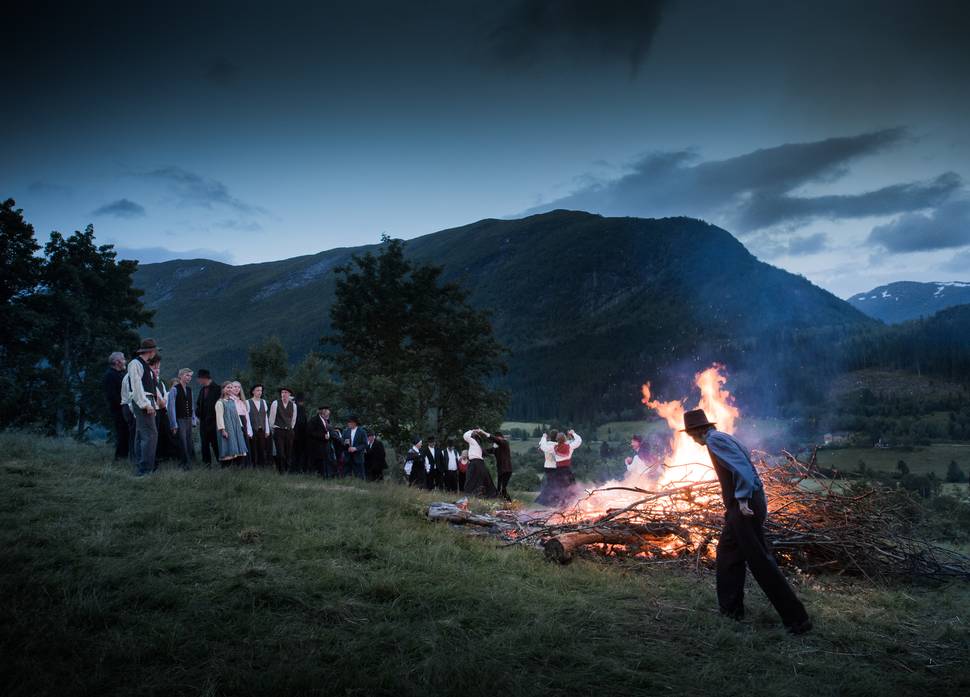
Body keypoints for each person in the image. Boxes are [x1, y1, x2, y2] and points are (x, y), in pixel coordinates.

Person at [683, 408, 812, 634]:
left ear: (696, 431)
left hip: (745, 507)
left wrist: (742, 499)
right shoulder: (724, 437)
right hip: (741, 507)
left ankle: (797, 620)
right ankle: (731, 612)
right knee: (727, 556)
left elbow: (742, 470)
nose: (692, 440)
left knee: (760, 562)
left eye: (691, 435)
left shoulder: (715, 442)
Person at [126, 338, 167, 476]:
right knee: (150, 435)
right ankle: (145, 469)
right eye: (154, 351)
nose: (155, 353)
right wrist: (145, 404)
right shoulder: (135, 364)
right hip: (143, 401)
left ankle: (142, 467)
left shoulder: (144, 365)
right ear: (151, 351)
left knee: (143, 435)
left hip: (147, 400)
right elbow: (136, 386)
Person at [537, 429, 581, 507]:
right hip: (567, 470)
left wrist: (544, 437)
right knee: (571, 487)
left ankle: (560, 505)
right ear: (565, 439)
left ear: (557, 440)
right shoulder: (569, 446)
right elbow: (578, 441)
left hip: (558, 471)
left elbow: (543, 446)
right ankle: (572, 504)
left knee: (559, 488)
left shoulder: (554, 448)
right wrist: (573, 433)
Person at [166, 368, 196, 470]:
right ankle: (184, 464)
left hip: (188, 419)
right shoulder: (174, 389)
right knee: (182, 441)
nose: (189, 378)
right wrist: (174, 424)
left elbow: (191, 406)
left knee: (188, 441)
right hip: (179, 419)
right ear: (181, 376)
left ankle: (189, 462)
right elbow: (171, 408)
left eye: (190, 376)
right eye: (187, 375)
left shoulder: (189, 390)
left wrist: (193, 419)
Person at [102, 351, 129, 460]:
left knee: (126, 433)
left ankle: (125, 456)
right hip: (119, 410)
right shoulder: (110, 375)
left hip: (124, 408)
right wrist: (123, 405)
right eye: (123, 359)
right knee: (122, 433)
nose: (125, 361)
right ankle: (120, 458)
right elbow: (112, 396)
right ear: (117, 362)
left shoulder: (121, 373)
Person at [214, 383, 247, 465]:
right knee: (227, 446)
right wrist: (223, 430)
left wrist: (240, 427)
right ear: (223, 389)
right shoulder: (220, 402)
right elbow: (219, 417)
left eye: (231, 387)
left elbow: (236, 415)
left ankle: (236, 468)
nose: (230, 389)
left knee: (237, 447)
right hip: (227, 427)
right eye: (228, 387)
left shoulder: (232, 401)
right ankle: (226, 468)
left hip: (235, 426)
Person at [195, 369, 221, 467]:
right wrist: (198, 414)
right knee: (204, 444)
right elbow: (198, 404)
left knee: (216, 443)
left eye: (199, 378)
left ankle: (221, 462)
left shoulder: (217, 389)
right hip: (203, 422)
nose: (198, 381)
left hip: (214, 422)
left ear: (204, 378)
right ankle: (207, 465)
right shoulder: (202, 390)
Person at [462, 428, 498, 498]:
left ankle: (471, 494)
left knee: (472, 479)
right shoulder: (477, 445)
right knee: (482, 479)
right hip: (479, 463)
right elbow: (487, 452)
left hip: (475, 463)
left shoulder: (474, 443)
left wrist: (473, 430)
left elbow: (465, 436)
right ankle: (485, 494)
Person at [269, 387, 297, 474]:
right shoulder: (276, 403)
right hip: (278, 430)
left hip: (289, 431)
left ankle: (287, 470)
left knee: (288, 452)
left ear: (289, 394)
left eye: (286, 392)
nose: (284, 394)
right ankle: (280, 471)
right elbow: (272, 418)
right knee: (280, 452)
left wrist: (290, 427)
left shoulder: (293, 405)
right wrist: (273, 428)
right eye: (282, 392)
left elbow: (293, 419)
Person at [307, 405, 335, 477]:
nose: (328, 416)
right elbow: (310, 432)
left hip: (326, 446)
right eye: (327, 414)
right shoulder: (314, 420)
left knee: (325, 462)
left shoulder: (327, 421)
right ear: (322, 413)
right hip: (316, 446)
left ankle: (326, 475)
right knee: (317, 462)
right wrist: (322, 436)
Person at [247, 385, 271, 468]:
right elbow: (247, 419)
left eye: (260, 390)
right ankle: (254, 465)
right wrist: (249, 431)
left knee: (262, 448)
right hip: (253, 429)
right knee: (253, 448)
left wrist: (267, 430)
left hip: (262, 429)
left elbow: (265, 417)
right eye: (257, 390)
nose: (259, 392)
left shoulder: (263, 402)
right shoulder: (248, 402)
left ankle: (262, 466)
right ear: (253, 391)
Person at [230, 381, 253, 467]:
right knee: (237, 444)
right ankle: (237, 465)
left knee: (245, 444)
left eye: (238, 387)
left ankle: (246, 465)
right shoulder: (229, 401)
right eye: (234, 387)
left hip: (244, 424)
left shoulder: (242, 401)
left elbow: (247, 417)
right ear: (231, 388)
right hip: (235, 424)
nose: (236, 389)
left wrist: (249, 430)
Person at [489, 432, 514, 502]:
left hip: (506, 470)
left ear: (500, 437)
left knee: (503, 488)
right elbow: (488, 451)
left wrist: (489, 436)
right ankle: (505, 503)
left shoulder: (505, 443)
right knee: (499, 489)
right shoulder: (497, 448)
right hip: (500, 471)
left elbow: (498, 440)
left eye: (497, 438)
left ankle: (509, 503)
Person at [293, 393, 309, 473]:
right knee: (299, 453)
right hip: (300, 435)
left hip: (293, 434)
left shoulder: (293, 407)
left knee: (293, 452)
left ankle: (294, 469)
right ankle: (299, 469)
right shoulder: (301, 408)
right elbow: (302, 422)